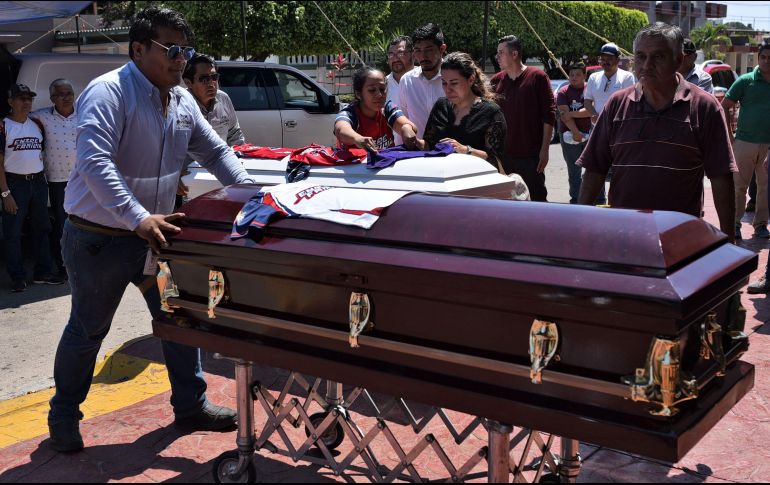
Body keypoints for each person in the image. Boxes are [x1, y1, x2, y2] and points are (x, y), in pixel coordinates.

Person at [47, 6, 253, 453]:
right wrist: (137, 217)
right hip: (100, 238)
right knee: (88, 330)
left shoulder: (180, 99)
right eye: (172, 50)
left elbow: (217, 154)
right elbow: (95, 163)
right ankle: (64, 415)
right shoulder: (109, 93)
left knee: (179, 320)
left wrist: (254, 199)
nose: (181, 60)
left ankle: (191, 404)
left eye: (186, 50)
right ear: (138, 49)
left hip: (160, 235)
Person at [577, 23, 736, 243]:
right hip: (623, 235)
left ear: (678, 60)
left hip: (680, 239)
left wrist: (728, 241)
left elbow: (721, 178)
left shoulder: (704, 107)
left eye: (658, 57)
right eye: (640, 57)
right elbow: (594, 169)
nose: (646, 65)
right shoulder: (617, 105)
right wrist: (576, 228)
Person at [1, 83, 65, 293]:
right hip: (14, 184)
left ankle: (43, 273)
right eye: (21, 98)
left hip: (37, 182)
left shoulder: (36, 124)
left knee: (42, 229)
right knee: (13, 233)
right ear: (11, 102)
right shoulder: (3, 126)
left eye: (29, 98)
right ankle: (17, 277)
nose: (26, 102)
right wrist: (5, 193)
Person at [491, 35, 555, 202]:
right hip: (503, 157)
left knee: (537, 202)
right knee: (506, 203)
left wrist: (545, 150)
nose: (497, 57)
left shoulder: (537, 77)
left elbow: (549, 115)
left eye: (501, 53)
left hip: (531, 156)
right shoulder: (495, 81)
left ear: (514, 54)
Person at [421, 52, 506, 169]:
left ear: (471, 79)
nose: (448, 89)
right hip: (441, 179)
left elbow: (496, 161)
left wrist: (465, 150)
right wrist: (414, 141)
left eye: (454, 83)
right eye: (444, 83)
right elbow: (428, 145)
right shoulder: (441, 106)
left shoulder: (491, 112)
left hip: (475, 182)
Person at [179, 53, 244, 206]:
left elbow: (235, 135)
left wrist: (236, 160)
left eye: (214, 77)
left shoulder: (224, 99)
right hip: (187, 181)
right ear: (188, 82)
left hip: (221, 174)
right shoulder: (179, 105)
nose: (211, 84)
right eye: (204, 79)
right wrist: (172, 175)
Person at [722, 41, 770, 241]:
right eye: (764, 57)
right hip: (744, 143)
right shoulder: (745, 80)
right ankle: (734, 224)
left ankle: (760, 225)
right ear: (758, 59)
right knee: (739, 187)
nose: (767, 61)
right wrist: (730, 136)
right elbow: (724, 106)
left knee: (765, 187)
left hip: (768, 146)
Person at [30, 79, 77, 278]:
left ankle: (85, 265)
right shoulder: (41, 117)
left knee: (88, 225)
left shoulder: (85, 115)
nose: (66, 97)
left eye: (69, 93)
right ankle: (64, 267)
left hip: (83, 180)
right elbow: (17, 120)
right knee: (62, 226)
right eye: (61, 94)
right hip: (57, 181)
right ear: (52, 98)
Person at [334, 67, 418, 151]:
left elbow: (406, 124)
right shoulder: (350, 112)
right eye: (372, 90)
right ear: (358, 94)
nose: (379, 95)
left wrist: (407, 128)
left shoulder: (387, 109)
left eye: (382, 89)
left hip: (386, 162)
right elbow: (341, 130)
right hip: (356, 163)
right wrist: (358, 139)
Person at [556, 63, 605, 204]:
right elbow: (564, 116)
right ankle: (576, 199)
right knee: (574, 170)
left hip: (591, 135)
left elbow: (590, 110)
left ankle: (600, 199)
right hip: (569, 136)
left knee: (594, 167)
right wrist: (576, 132)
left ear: (585, 76)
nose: (574, 78)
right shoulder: (563, 92)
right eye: (571, 75)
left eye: (578, 75)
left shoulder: (591, 90)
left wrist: (571, 113)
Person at [398, 23, 447, 138]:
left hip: (452, 152)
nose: (423, 56)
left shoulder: (456, 79)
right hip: (418, 152)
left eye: (428, 50)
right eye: (418, 50)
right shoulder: (407, 81)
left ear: (442, 49)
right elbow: (403, 121)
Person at [584, 42, 636, 124]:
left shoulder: (627, 77)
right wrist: (594, 115)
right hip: (597, 126)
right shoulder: (593, 77)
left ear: (617, 60)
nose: (605, 62)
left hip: (618, 125)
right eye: (603, 59)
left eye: (609, 59)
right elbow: (587, 101)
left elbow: (631, 102)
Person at [385, 35, 414, 107]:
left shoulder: (425, 79)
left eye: (400, 53)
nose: (395, 59)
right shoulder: (383, 85)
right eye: (391, 55)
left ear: (413, 54)